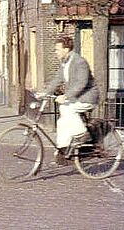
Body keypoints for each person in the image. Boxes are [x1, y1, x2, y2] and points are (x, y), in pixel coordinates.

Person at [41, 36, 100, 164]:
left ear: (66, 49)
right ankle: (63, 151)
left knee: (67, 107)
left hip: (88, 97)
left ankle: (83, 134)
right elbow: (57, 79)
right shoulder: (65, 63)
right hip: (77, 97)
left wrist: (66, 96)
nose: (55, 52)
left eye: (57, 49)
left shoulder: (79, 62)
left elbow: (82, 83)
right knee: (62, 122)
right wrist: (45, 93)